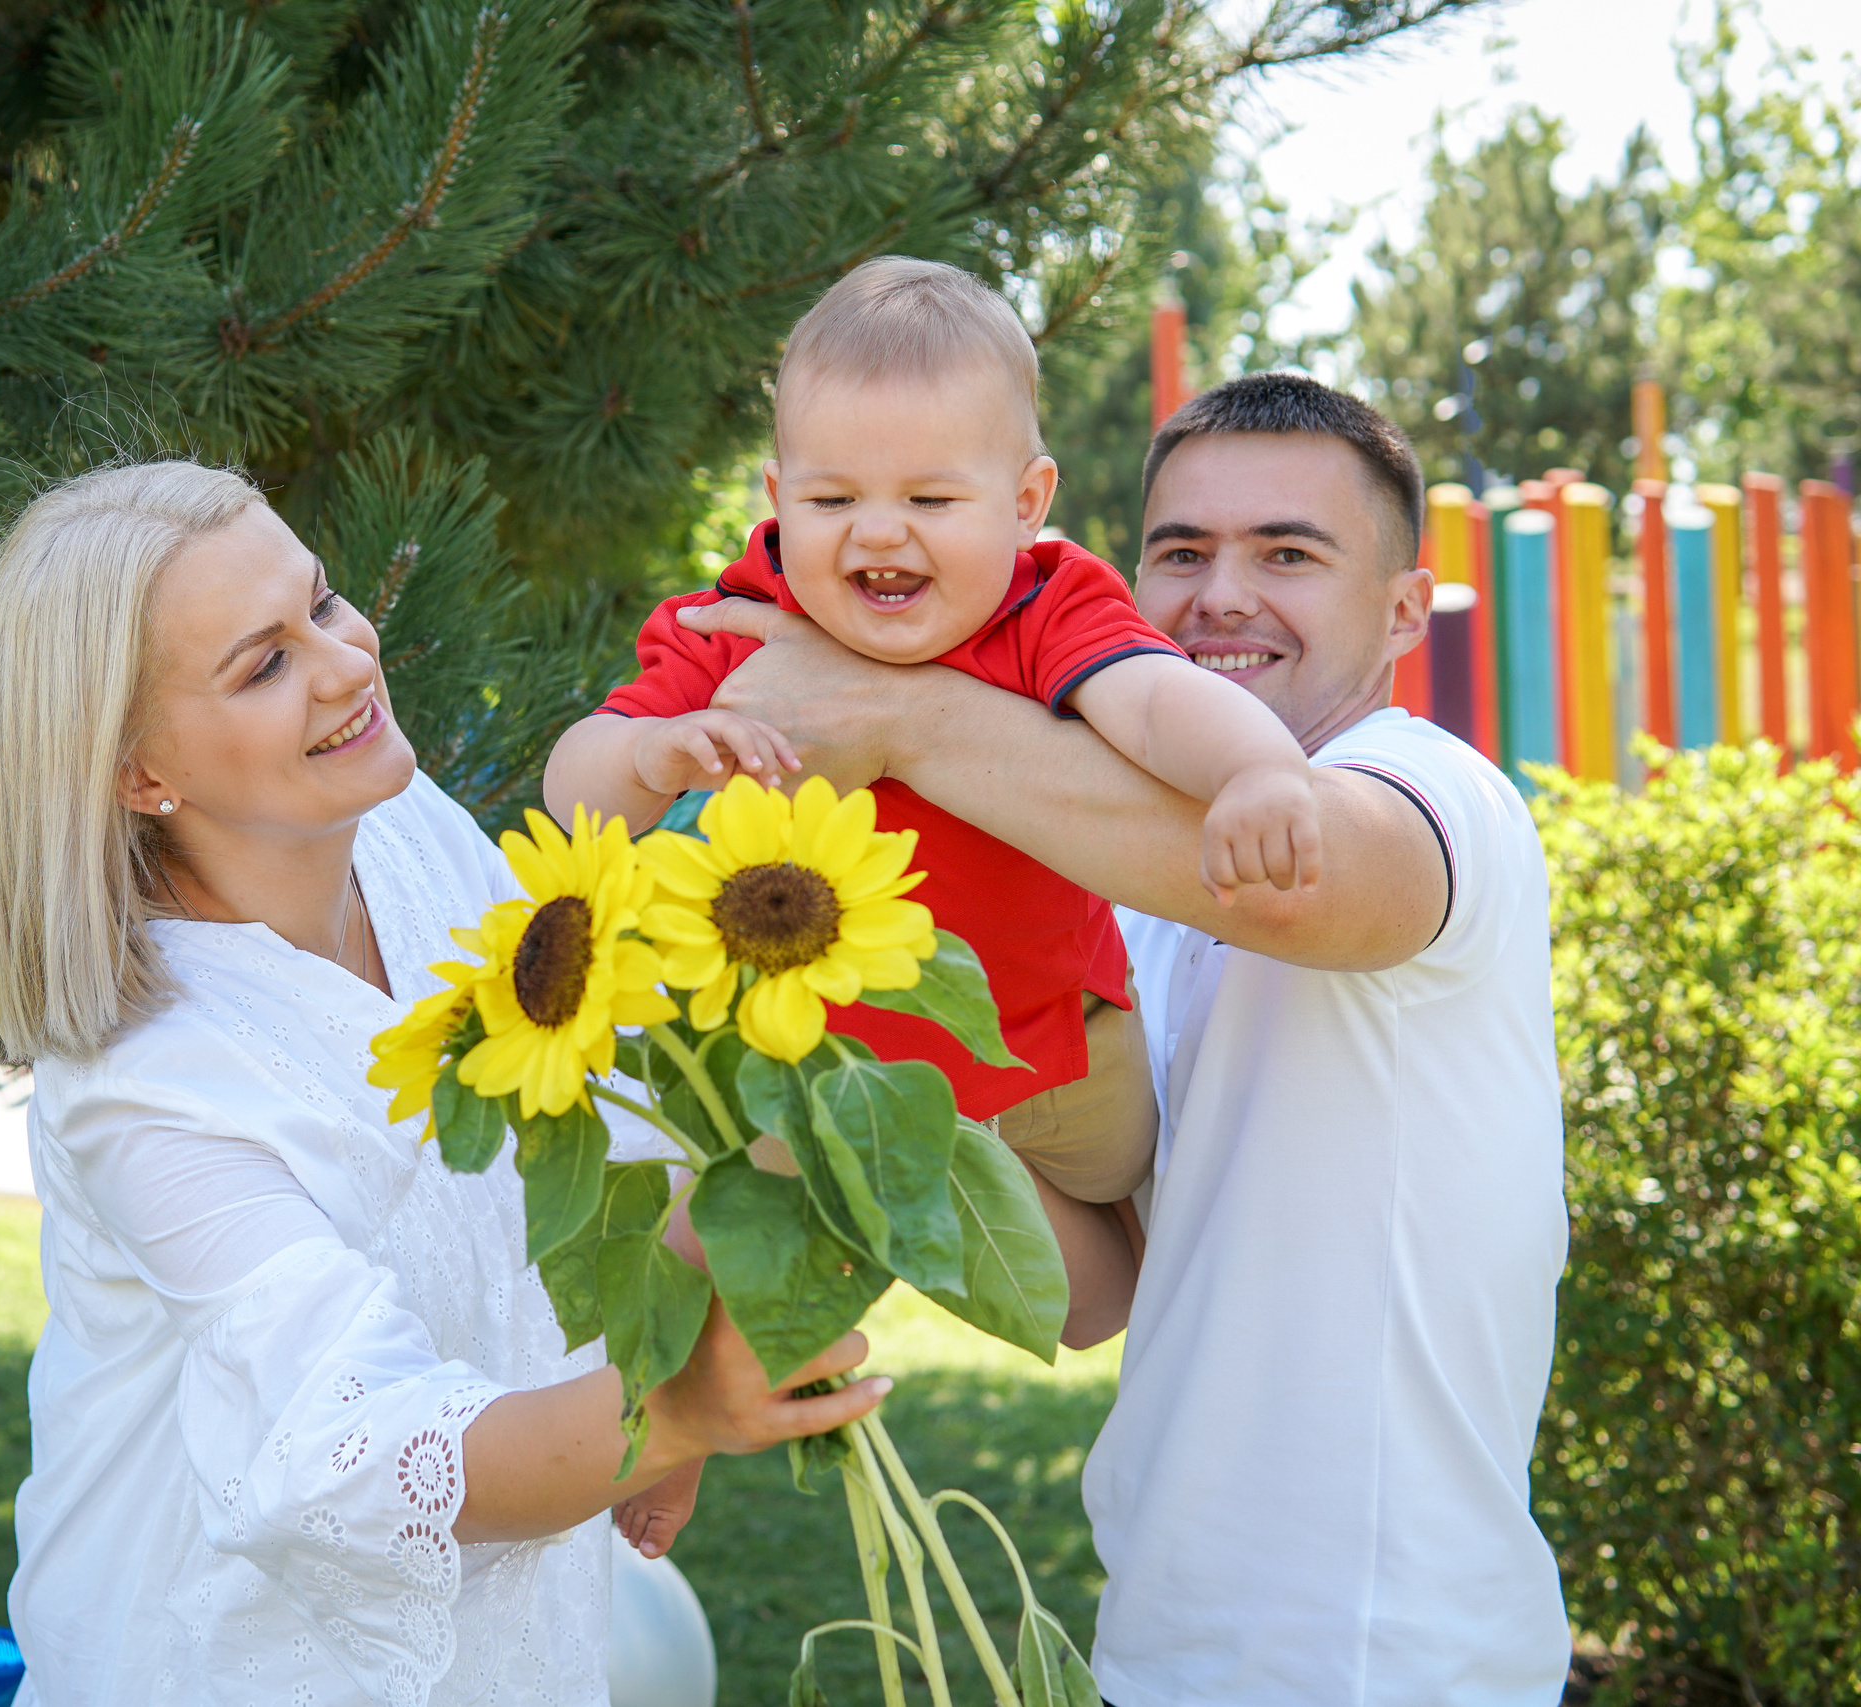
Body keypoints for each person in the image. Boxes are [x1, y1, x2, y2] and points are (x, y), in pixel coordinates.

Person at [669, 374, 1570, 1705]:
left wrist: (898, 704)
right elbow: (1097, 1287)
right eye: (1180, 551)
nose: (1220, 595)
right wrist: (878, 1106)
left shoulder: (1439, 788)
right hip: (1168, 1635)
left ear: (1400, 611)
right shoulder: (1133, 908)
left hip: (1386, 1652)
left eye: (1289, 553)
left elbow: (1302, 877)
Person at [0, 460, 889, 1707]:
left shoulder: (401, 832)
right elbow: (350, 1451)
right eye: (261, 663)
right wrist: (666, 1411)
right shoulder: (147, 1081)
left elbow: (586, 1131)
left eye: (323, 604)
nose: (344, 663)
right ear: (136, 773)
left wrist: (661, 1344)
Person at [549, 257, 1321, 1207]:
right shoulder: (742, 623)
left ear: (1026, 503)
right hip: (829, 1069)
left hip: (1058, 1056)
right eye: (833, 501)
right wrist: (644, 755)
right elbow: (574, 789)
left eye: (929, 501)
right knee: (764, 1248)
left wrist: (1257, 768)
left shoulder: (1044, 603)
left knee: (1139, 1198)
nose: (877, 533)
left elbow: (1157, 700)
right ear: (779, 494)